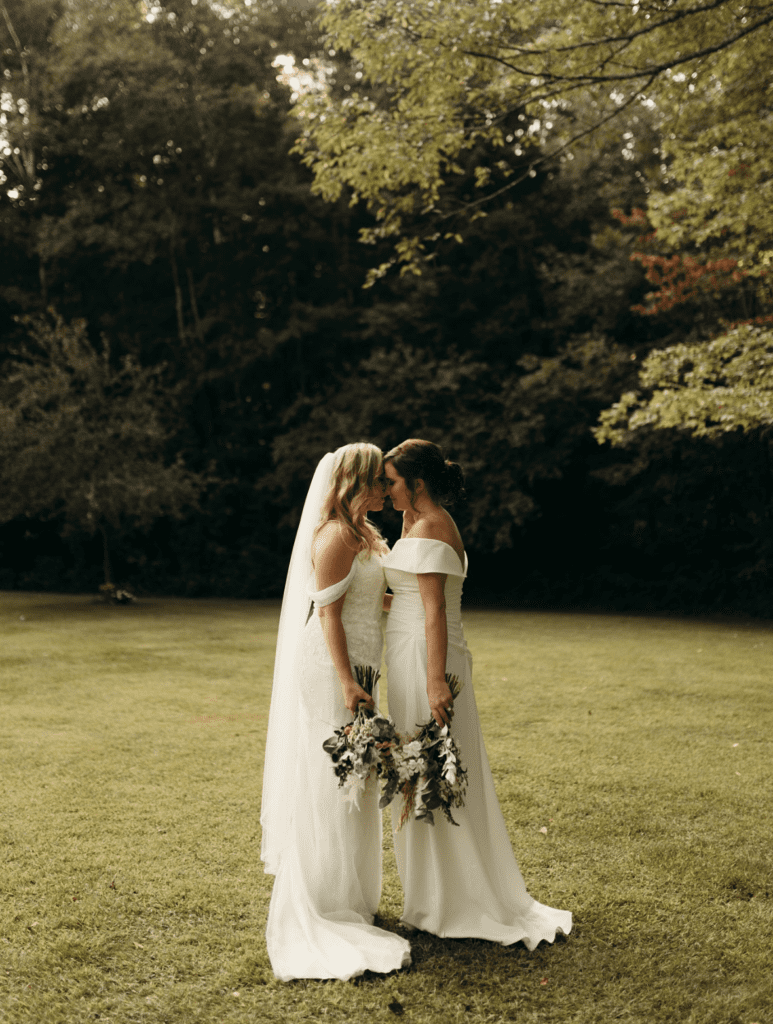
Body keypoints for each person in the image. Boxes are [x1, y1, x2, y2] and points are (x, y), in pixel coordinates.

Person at [382, 438, 572, 948]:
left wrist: (434, 678)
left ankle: (456, 901)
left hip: (425, 655)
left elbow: (433, 611)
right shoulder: (422, 522)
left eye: (393, 482)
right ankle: (431, 895)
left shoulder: (429, 528)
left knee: (438, 768)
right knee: (423, 769)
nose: (386, 490)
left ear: (417, 483)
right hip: (415, 651)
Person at [261, 443, 411, 982]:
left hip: (363, 662)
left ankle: (349, 894)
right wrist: (347, 681)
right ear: (356, 482)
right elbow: (327, 616)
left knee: (358, 779)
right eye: (378, 480)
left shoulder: (365, 533)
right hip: (332, 668)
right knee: (332, 778)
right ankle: (321, 901)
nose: (386, 488)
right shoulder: (334, 536)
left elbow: (369, 600)